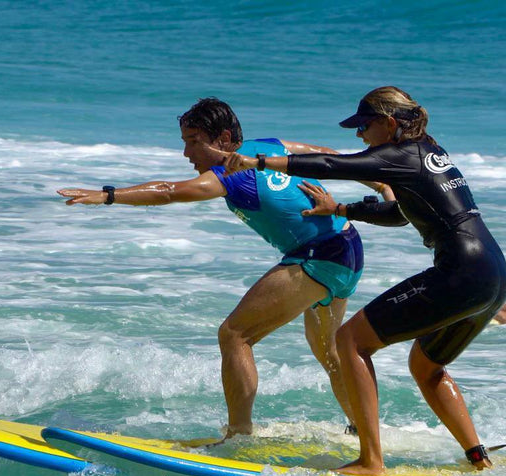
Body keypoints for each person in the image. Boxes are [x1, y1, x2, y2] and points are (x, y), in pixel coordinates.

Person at [217, 86, 506, 475]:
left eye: (364, 126)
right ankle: (478, 458)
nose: (359, 136)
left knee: (350, 340)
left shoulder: (399, 153)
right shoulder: (429, 151)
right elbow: (398, 213)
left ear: (389, 123)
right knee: (427, 368)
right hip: (492, 273)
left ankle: (371, 460)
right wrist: (339, 208)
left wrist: (261, 162)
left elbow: (332, 166)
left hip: (460, 271)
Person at [57, 98, 391, 437]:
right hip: (348, 248)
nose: (187, 153)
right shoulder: (268, 147)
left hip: (318, 257)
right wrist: (378, 183)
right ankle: (363, 431)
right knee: (330, 351)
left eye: (193, 141)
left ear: (223, 138)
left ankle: (238, 436)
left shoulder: (229, 175)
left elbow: (169, 192)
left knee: (234, 335)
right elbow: (325, 154)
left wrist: (108, 195)